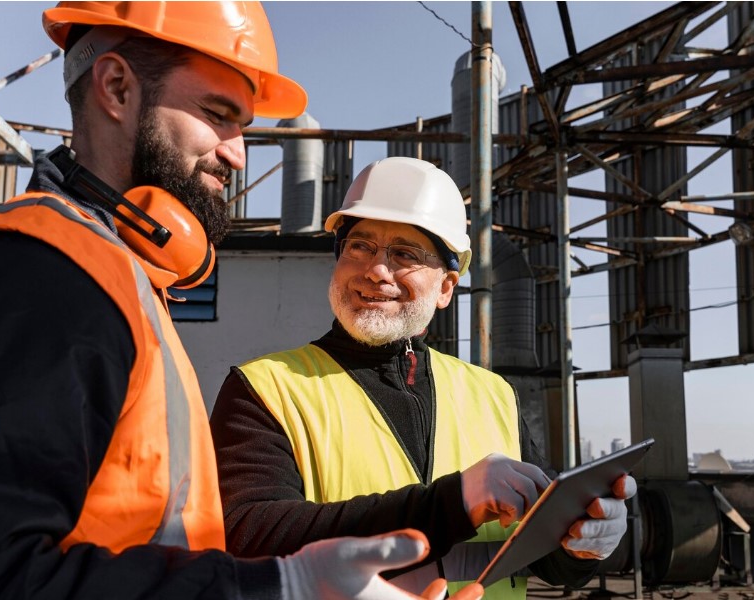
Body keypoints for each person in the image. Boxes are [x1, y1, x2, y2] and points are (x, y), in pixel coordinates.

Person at [0, 3, 482, 599]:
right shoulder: (42, 277)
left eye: (243, 127)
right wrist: (279, 588)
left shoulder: (119, 276)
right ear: (117, 88)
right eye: (217, 115)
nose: (238, 153)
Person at [210, 156, 638, 598]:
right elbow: (246, 534)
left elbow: (537, 547)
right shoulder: (264, 388)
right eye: (359, 246)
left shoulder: (492, 395)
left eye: (404, 254)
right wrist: (455, 503)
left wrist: (581, 544)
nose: (376, 270)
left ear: (446, 287)